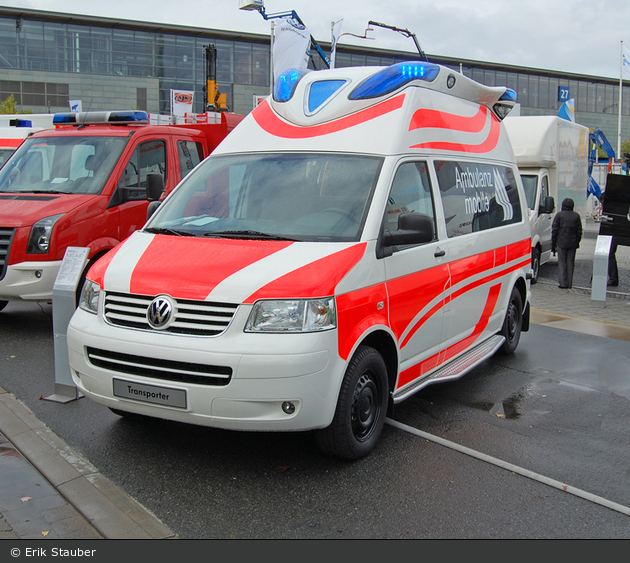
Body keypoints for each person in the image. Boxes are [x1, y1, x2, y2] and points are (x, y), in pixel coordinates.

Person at [551, 197, 582, 289]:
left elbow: (555, 230)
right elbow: (579, 231)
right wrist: (577, 241)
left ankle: (563, 283)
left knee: (562, 263)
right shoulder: (576, 216)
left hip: (561, 242)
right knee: (570, 263)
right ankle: (569, 283)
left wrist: (553, 244)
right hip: (572, 243)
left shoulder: (559, 215)